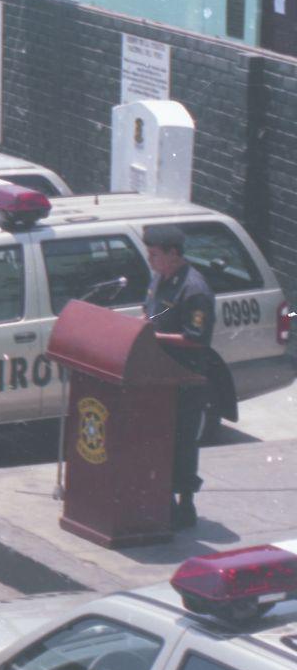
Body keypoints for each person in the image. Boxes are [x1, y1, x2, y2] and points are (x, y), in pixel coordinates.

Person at [143, 224, 215, 530]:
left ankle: (185, 504)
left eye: (155, 255)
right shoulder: (161, 278)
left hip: (186, 378)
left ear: (174, 254)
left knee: (182, 442)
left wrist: (154, 336)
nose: (150, 260)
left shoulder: (194, 289)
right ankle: (162, 498)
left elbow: (197, 338)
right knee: (158, 439)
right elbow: (151, 313)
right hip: (158, 375)